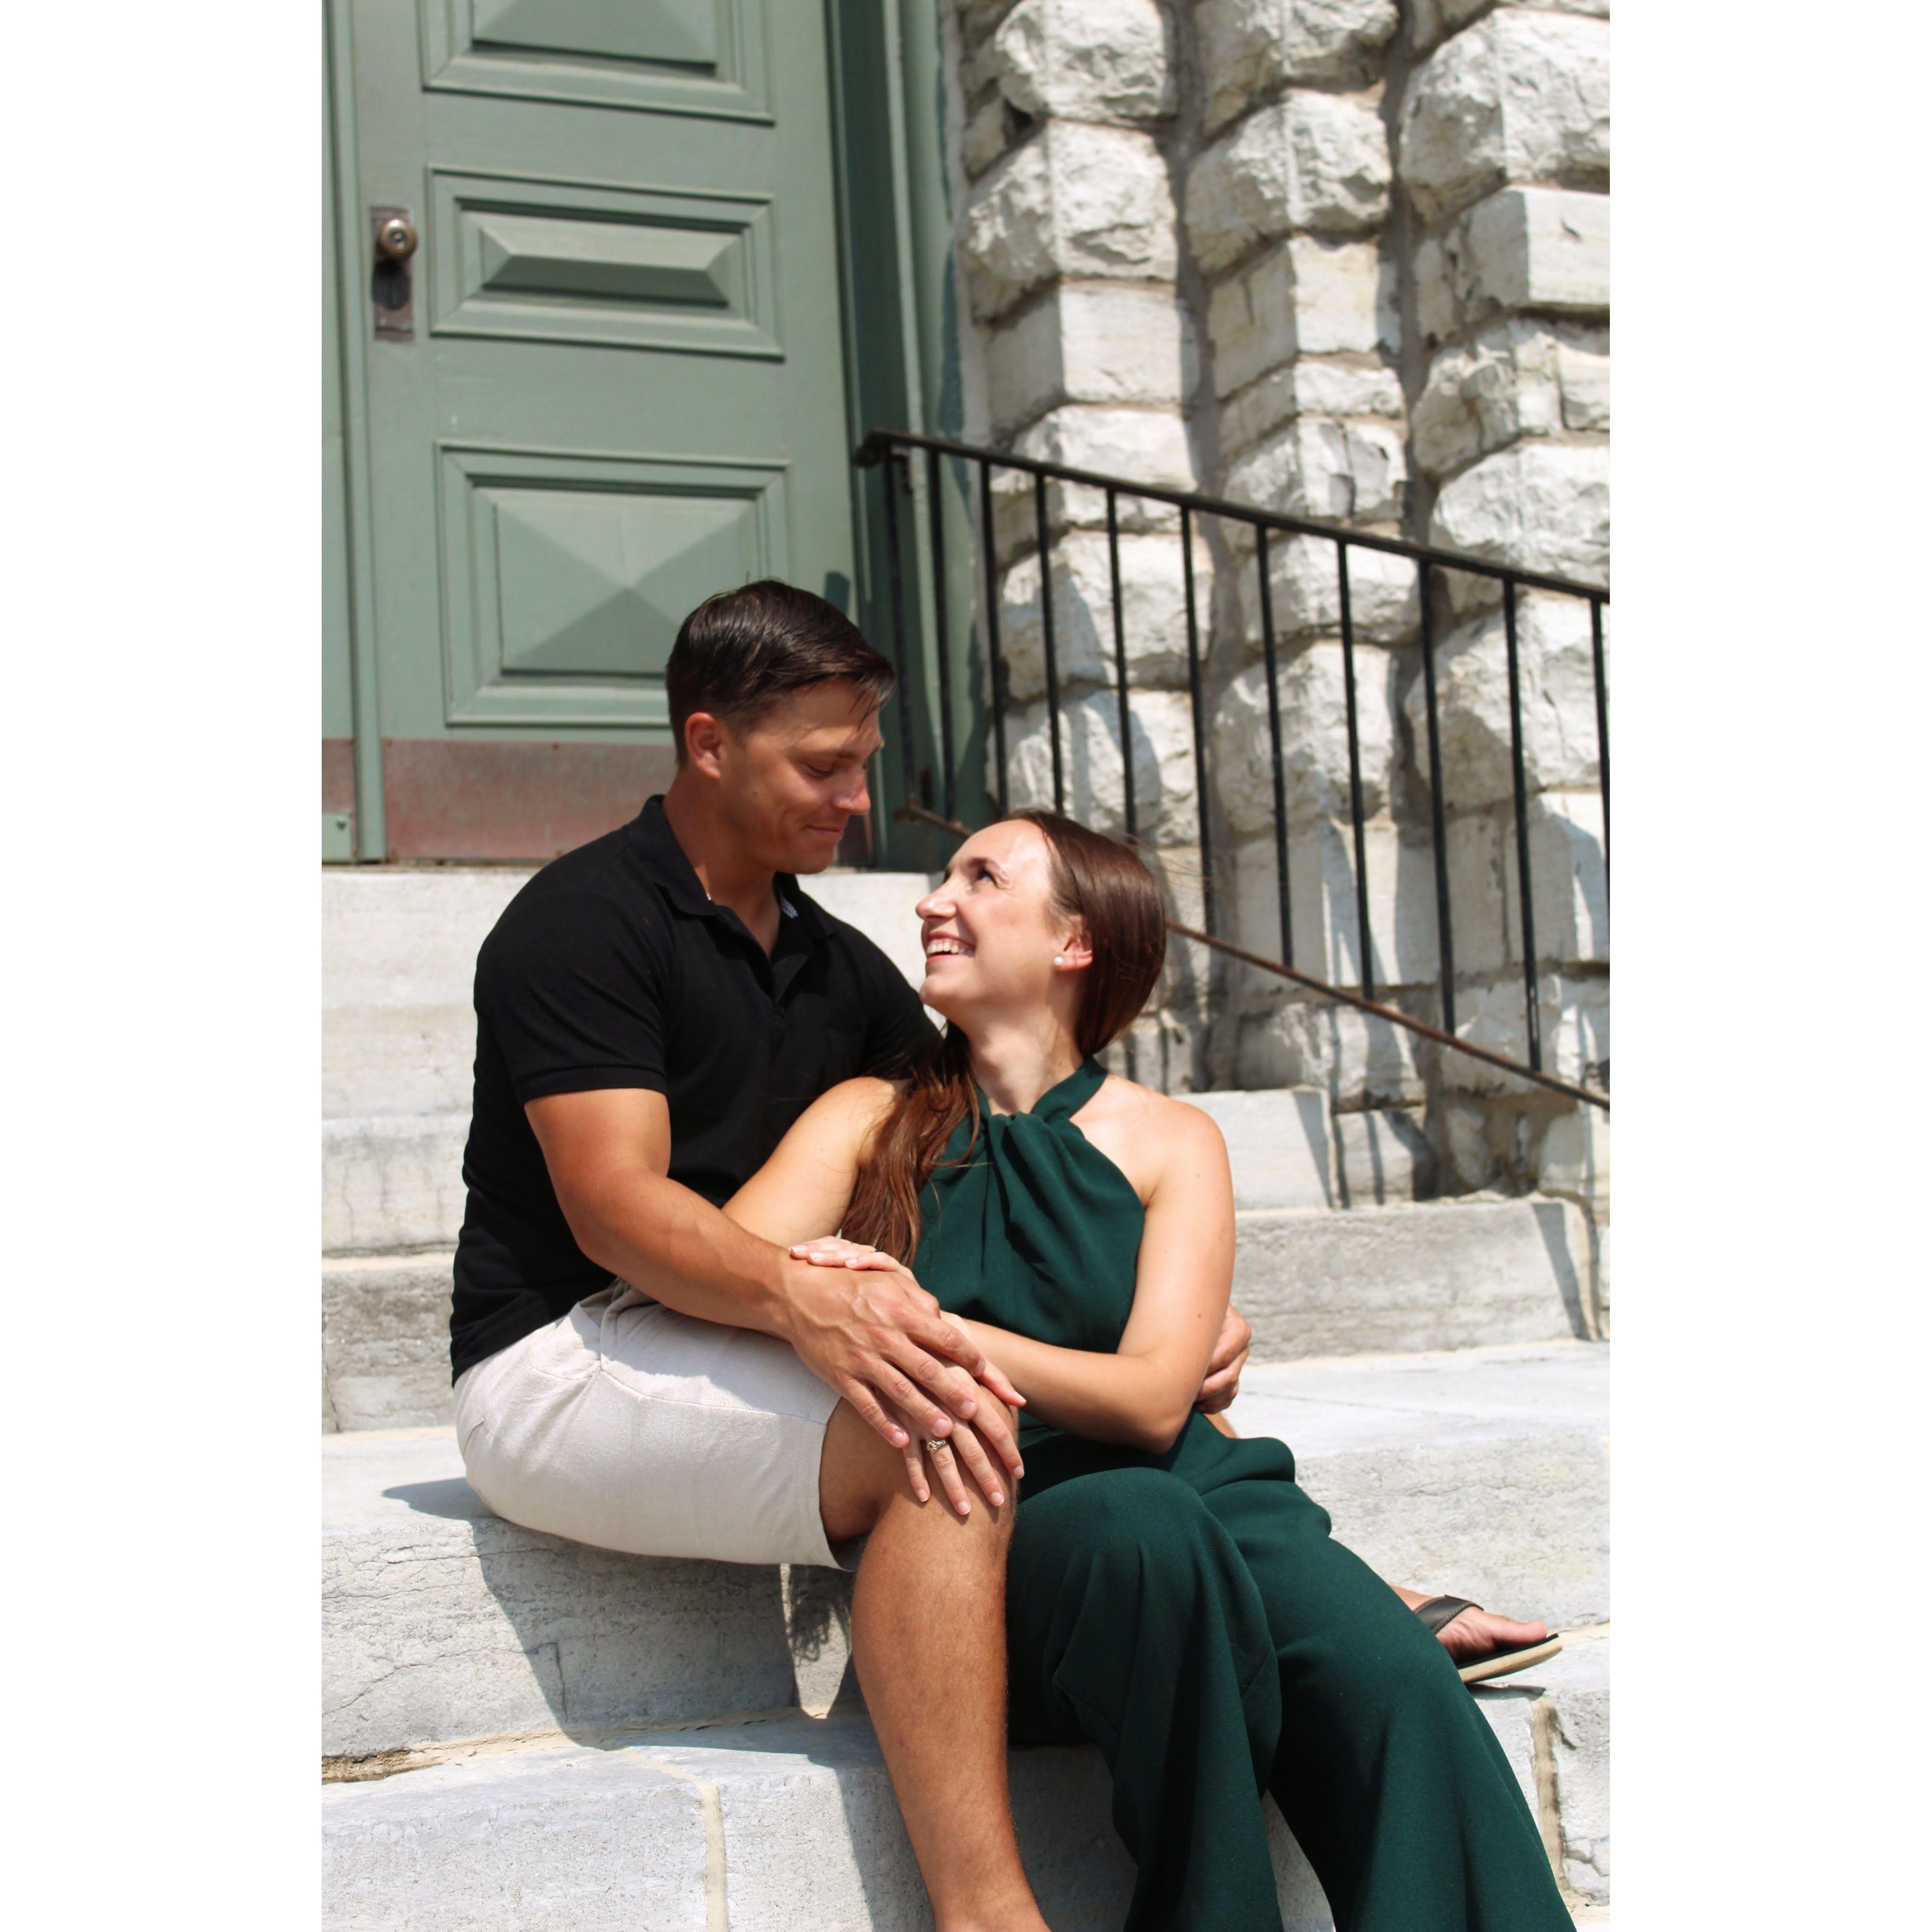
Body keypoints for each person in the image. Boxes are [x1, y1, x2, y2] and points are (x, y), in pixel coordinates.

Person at [449, 581, 1252, 1932]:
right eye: (824, 765)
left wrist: (1174, 1320)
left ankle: (1311, 1598)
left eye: (864, 762)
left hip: (738, 1329)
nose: (858, 800)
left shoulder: (837, 967)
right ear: (710, 744)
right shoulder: (581, 921)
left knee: (999, 1382)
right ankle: (989, 1914)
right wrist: (798, 1301)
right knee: (940, 1420)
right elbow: (612, 1210)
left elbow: (997, 1138)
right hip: (562, 1355)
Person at [722, 808, 1574, 1932]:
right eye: (941, 877)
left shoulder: (1173, 1138)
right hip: (1005, 1525)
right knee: (1144, 1529)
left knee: (1394, 1684)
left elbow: (1151, 1397)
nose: (934, 900)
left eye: (980, 878)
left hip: (1218, 1501)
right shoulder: (865, 1118)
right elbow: (726, 1279)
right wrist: (824, 1305)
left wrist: (920, 1320)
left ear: (1073, 941)